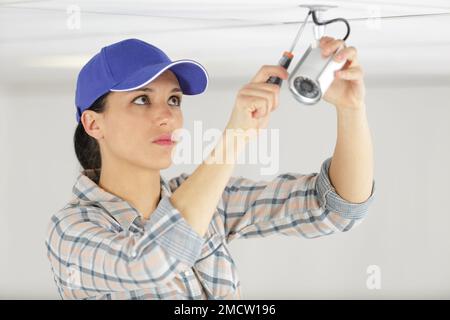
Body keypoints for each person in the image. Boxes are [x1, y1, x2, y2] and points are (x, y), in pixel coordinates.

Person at [45, 37, 375, 300]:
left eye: (174, 100)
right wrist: (235, 136)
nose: (168, 116)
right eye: (142, 100)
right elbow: (154, 260)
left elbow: (336, 209)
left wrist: (351, 109)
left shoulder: (206, 200)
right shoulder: (72, 229)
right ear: (93, 123)